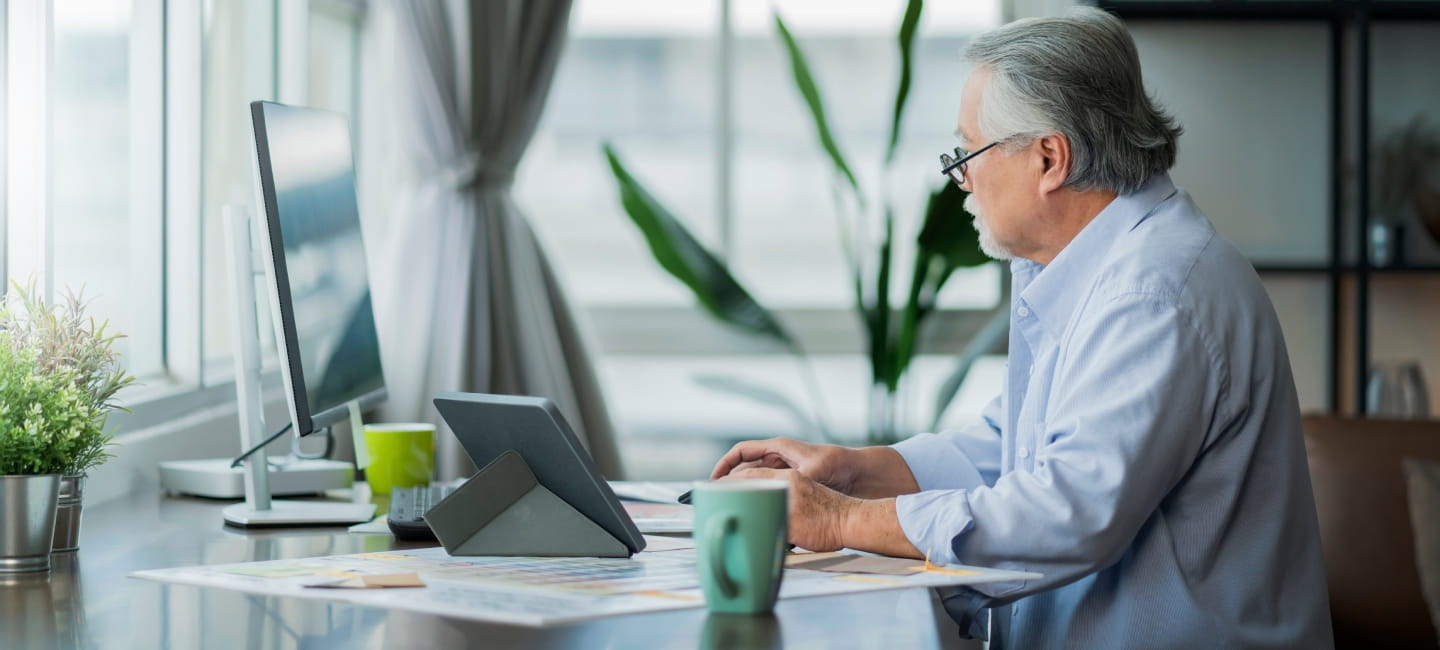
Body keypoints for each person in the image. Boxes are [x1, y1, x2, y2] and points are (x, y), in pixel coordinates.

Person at [709, 8, 1333, 648]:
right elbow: (1011, 449)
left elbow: (1066, 513)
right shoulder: (1088, 267)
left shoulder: (1153, 295)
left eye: (968, 151)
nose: (962, 179)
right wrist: (854, 470)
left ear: (1049, 158)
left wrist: (839, 520)